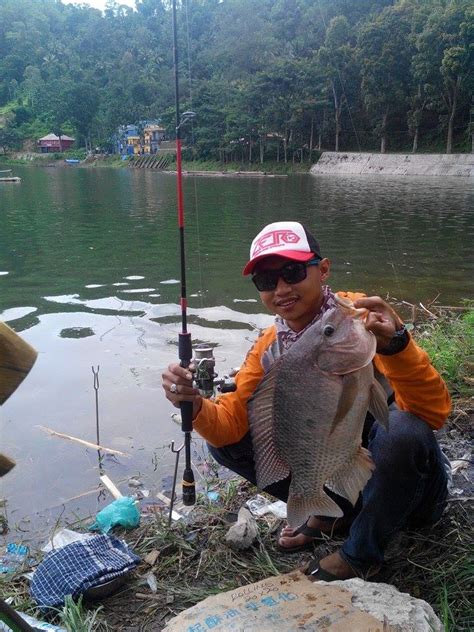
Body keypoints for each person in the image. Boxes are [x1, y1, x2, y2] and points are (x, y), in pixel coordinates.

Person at [162, 221, 451, 581]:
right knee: (227, 445)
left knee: (403, 431)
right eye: (267, 281)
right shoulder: (270, 346)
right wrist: (192, 404)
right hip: (349, 477)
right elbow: (229, 427)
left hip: (415, 491)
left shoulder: (359, 320)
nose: (281, 289)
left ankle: (361, 554)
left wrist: (397, 346)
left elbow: (433, 413)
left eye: (293, 272)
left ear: (323, 269)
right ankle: (333, 512)